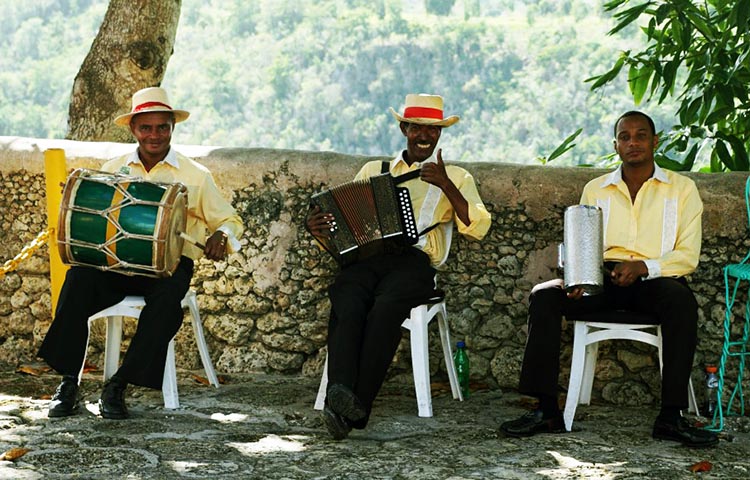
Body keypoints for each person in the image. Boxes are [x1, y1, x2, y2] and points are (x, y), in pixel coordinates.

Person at [499, 111, 718, 447]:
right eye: (625, 137)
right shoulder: (596, 189)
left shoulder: (682, 189)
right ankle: (545, 410)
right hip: (603, 278)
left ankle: (671, 416)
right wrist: (578, 278)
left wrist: (644, 267)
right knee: (544, 295)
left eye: (641, 135)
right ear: (616, 145)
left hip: (657, 280)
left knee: (681, 301)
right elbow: (583, 245)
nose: (633, 143)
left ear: (655, 141)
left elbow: (687, 256)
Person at [38, 86, 244, 419]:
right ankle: (68, 382)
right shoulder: (113, 167)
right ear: (133, 129)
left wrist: (222, 235)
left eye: (162, 126)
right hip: (117, 266)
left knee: (166, 306)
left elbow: (230, 219)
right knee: (77, 280)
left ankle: (119, 384)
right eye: (146, 127)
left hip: (168, 269)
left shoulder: (196, 175)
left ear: (172, 128)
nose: (155, 135)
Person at [306, 93, 491, 439]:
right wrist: (317, 228)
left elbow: (478, 227)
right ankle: (345, 398)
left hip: (415, 262)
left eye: (433, 130)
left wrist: (445, 184)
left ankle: (353, 406)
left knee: (387, 306)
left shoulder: (457, 176)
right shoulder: (374, 171)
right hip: (369, 259)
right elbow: (346, 229)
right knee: (345, 294)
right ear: (404, 128)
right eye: (417, 128)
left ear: (439, 135)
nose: (425, 136)